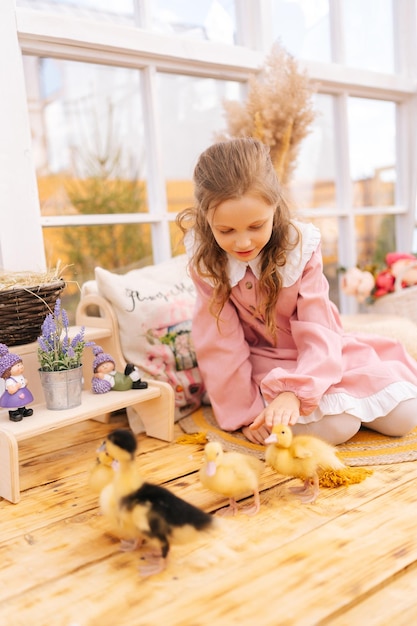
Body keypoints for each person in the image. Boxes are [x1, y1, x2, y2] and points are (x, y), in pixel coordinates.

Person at [176, 137, 417, 445]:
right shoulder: (208, 263)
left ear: (275, 207)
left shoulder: (299, 247)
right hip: (261, 363)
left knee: (406, 415)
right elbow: (220, 345)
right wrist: (246, 415)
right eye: (226, 231)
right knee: (339, 427)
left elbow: (319, 328)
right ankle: (313, 412)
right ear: (206, 219)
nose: (243, 243)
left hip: (319, 355)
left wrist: (295, 391)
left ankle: (334, 401)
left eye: (255, 226)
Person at [0, 343, 34, 422]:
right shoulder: (9, 380)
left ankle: (22, 410)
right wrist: (16, 387)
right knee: (13, 405)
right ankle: (13, 413)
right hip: (12, 397)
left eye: (21, 364)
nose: (21, 367)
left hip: (22, 393)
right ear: (8, 371)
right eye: (18, 365)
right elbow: (11, 390)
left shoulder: (20, 376)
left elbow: (24, 382)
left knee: (22, 403)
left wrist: (25, 382)